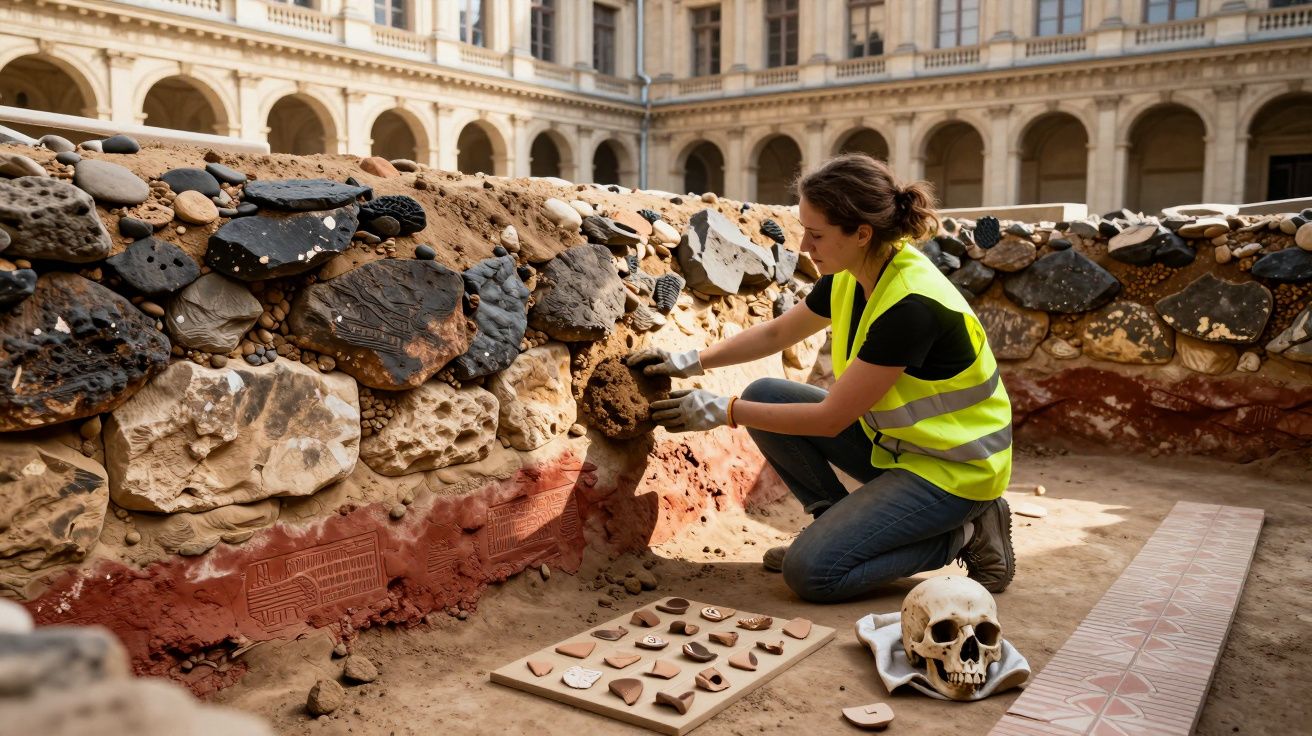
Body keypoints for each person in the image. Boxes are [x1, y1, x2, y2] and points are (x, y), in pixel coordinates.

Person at [625, 153, 1014, 603]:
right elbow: (777, 331)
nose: (805, 248)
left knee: (811, 574)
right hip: (899, 447)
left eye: (816, 235)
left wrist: (722, 411)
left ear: (862, 233)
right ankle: (835, 527)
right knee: (766, 394)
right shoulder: (855, 270)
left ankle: (966, 533)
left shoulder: (911, 306)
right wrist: (690, 360)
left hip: (955, 471)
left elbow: (830, 419)